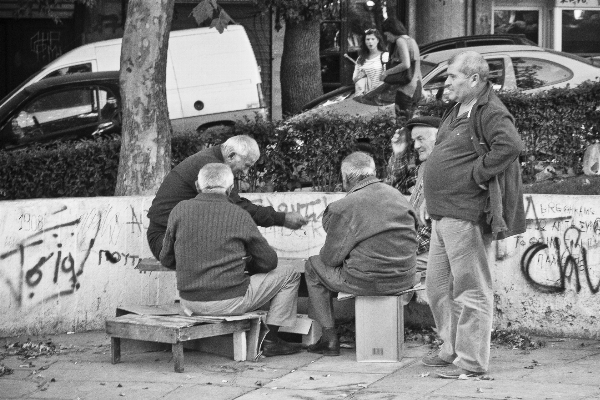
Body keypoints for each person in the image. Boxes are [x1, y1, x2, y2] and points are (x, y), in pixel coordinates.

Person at [421, 51, 526, 378]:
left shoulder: (491, 111)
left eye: (453, 76)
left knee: (472, 290)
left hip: (466, 214)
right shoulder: (456, 110)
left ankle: (471, 362)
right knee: (436, 288)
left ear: (476, 79)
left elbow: (510, 146)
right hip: (442, 214)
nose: (447, 82)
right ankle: (450, 348)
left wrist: (477, 174)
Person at [159, 163, 302, 357]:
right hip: (228, 302)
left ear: (198, 185)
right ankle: (270, 340)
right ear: (231, 188)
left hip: (189, 303)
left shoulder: (179, 210)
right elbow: (269, 262)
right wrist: (248, 264)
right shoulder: (239, 214)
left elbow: (166, 258)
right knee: (290, 274)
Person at [304, 152, 418, 356]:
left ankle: (329, 338)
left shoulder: (343, 207)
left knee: (313, 265)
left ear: (345, 177)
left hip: (367, 281)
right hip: (405, 279)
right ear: (374, 173)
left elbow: (330, 258)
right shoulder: (398, 197)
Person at [147, 135, 308, 261]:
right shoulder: (210, 166)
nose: (245, 173)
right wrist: (282, 218)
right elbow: (236, 207)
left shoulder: (213, 160)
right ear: (231, 155)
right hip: (165, 242)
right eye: (246, 166)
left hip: (176, 237)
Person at [386, 116, 440, 288]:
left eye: (420, 139)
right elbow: (395, 187)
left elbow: (431, 233)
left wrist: (401, 250)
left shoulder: (447, 169)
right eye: (414, 140)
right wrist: (399, 154)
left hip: (433, 251)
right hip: (416, 248)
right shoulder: (424, 167)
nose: (415, 146)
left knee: (380, 269)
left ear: (439, 138)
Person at [380, 17, 422, 123]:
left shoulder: (400, 41)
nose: (388, 39)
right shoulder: (412, 41)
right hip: (417, 88)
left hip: (405, 90)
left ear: (392, 31)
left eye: (387, 35)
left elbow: (406, 64)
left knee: (402, 124)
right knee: (411, 122)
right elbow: (417, 67)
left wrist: (386, 72)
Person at [352, 28, 389, 96]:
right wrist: (360, 76)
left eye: (373, 39)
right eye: (368, 39)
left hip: (380, 95)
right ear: (365, 41)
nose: (370, 42)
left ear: (378, 40)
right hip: (363, 96)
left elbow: (387, 78)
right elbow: (354, 80)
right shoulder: (360, 58)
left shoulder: (385, 56)